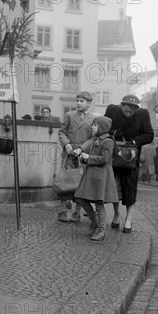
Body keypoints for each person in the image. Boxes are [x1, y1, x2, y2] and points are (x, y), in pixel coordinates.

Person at [105, 94, 154, 233]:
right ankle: (116, 214)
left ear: (136, 109)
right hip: (115, 155)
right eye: (126, 110)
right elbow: (104, 128)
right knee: (114, 186)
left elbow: (149, 135)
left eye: (132, 110)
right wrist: (114, 136)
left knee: (130, 188)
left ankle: (128, 219)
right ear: (121, 106)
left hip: (131, 157)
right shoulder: (112, 110)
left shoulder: (142, 114)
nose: (129, 112)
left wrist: (134, 142)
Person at [73, 116, 118, 241]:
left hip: (100, 177)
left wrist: (88, 157)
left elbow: (105, 159)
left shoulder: (108, 141)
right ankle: (94, 220)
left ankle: (102, 230)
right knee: (81, 199)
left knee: (99, 203)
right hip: (91, 175)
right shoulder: (95, 139)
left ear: (102, 127)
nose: (92, 127)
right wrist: (83, 157)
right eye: (92, 124)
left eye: (95, 125)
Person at [57, 91, 95, 222]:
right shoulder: (69, 115)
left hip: (82, 156)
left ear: (89, 104)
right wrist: (66, 144)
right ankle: (62, 211)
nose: (78, 103)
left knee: (80, 183)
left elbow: (92, 139)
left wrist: (81, 149)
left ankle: (77, 212)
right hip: (68, 154)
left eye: (82, 101)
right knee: (65, 180)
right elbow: (62, 132)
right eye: (77, 100)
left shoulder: (92, 119)